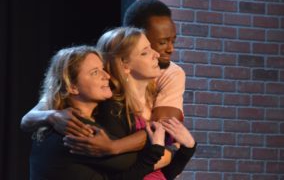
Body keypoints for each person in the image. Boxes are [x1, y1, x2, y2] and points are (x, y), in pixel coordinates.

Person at [29, 28, 195, 179]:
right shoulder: (79, 126)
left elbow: (152, 171)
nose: (106, 75)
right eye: (95, 72)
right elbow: (134, 167)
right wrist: (173, 150)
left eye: (102, 69)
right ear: (72, 86)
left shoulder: (108, 113)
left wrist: (184, 149)